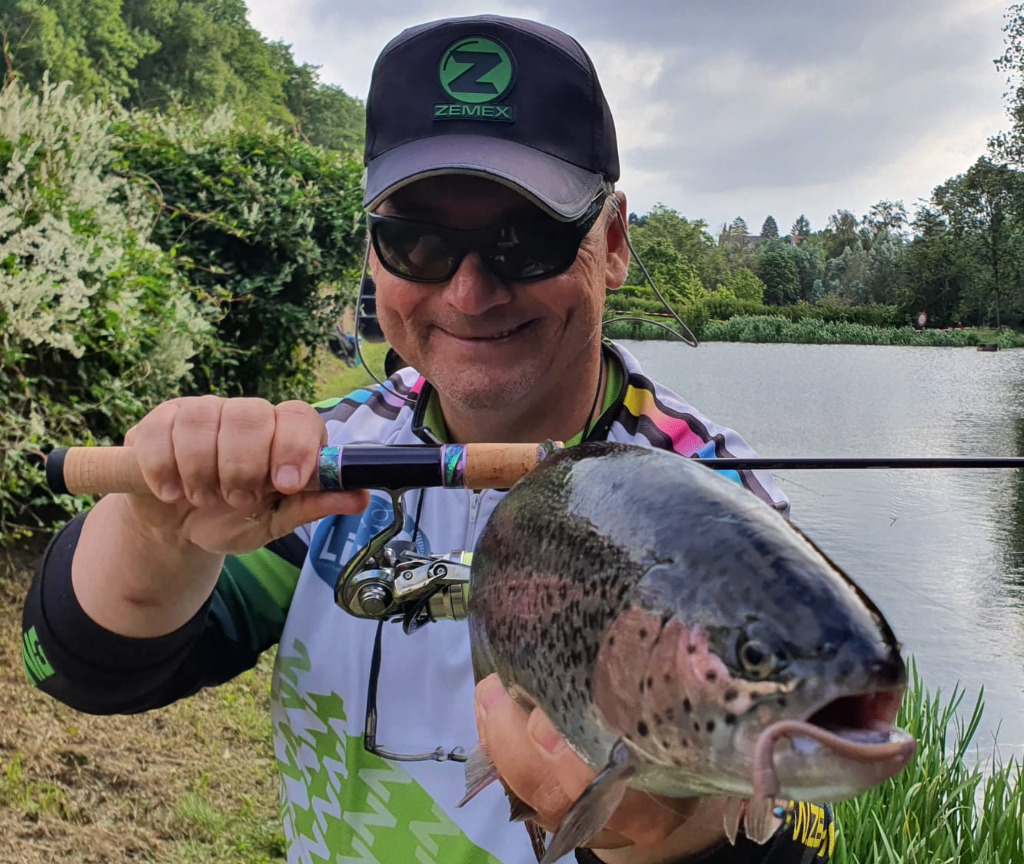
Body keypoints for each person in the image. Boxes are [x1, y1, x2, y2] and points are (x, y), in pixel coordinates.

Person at [21, 14, 835, 864]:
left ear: (614, 241)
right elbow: (81, 669)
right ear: (374, 254)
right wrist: (155, 531)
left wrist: (676, 836)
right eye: (417, 242)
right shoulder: (333, 458)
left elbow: (800, 817)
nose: (472, 293)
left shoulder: (718, 502)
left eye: (525, 239)